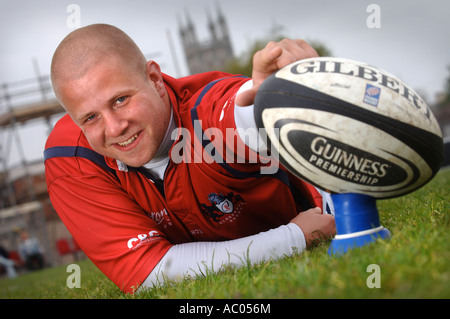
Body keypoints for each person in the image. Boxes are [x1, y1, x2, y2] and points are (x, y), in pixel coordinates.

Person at [45, 24, 335, 293]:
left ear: (155, 80)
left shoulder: (207, 111)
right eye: (90, 117)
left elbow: (242, 112)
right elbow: (152, 271)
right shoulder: (71, 157)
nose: (114, 128)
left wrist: (276, 97)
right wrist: (293, 238)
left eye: (120, 100)